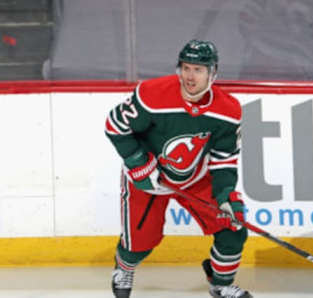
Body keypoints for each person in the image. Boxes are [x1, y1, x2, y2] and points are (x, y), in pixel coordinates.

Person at [104, 39, 252, 298]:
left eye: (198, 69)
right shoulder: (152, 94)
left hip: (195, 178)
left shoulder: (228, 110)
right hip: (148, 179)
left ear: (213, 73)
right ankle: (124, 267)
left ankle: (221, 284)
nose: (190, 76)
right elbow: (115, 126)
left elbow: (223, 159)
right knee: (139, 244)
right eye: (185, 68)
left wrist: (225, 194)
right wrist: (138, 163)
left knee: (233, 228)